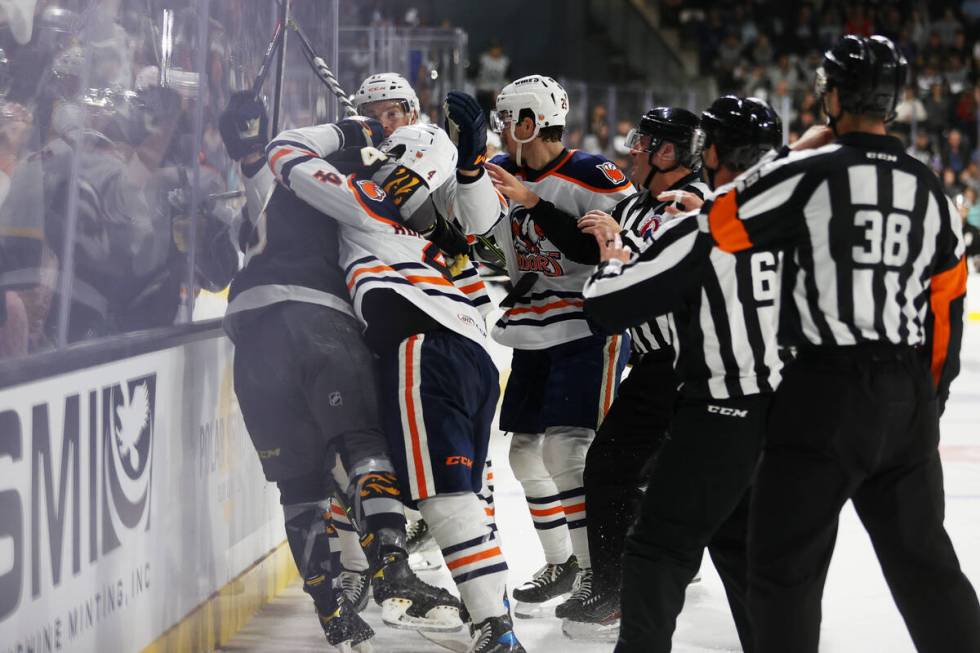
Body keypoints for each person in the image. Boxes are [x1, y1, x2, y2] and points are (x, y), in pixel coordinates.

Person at [701, 35, 980, 653]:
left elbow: (721, 225)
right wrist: (921, 406)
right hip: (904, 394)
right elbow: (947, 310)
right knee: (929, 575)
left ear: (831, 95)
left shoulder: (810, 171)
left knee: (782, 573)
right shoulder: (931, 188)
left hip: (824, 390)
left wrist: (793, 150)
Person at [265, 121, 521, 653]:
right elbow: (482, 301)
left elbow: (284, 152)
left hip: (421, 349)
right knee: (462, 494)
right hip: (474, 357)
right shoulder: (437, 235)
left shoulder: (369, 200)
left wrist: (344, 133)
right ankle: (496, 618)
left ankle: (494, 630)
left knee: (439, 496)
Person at [220, 103, 461, 650]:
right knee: (362, 444)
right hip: (316, 318)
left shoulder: (280, 188)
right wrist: (357, 132)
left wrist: (257, 151)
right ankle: (392, 571)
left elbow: (254, 199)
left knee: (298, 486)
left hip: (251, 336)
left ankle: (332, 611)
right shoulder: (361, 185)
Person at [490, 106, 709, 637]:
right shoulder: (643, 201)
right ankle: (591, 572)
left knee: (600, 462)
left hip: (672, 360)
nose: (629, 148)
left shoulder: (655, 195)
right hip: (619, 350)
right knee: (555, 457)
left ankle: (610, 581)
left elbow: (622, 267)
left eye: (643, 141)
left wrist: (551, 214)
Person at [581, 95, 784, 652]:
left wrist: (615, 257)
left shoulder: (702, 227)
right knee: (744, 552)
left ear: (708, 152)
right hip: (781, 416)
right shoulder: (800, 223)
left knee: (655, 551)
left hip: (713, 408)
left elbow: (606, 307)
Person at [482, 74, 634, 618]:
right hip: (533, 323)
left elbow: (614, 251)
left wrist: (534, 203)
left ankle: (600, 573)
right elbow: (493, 249)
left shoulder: (595, 174)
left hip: (589, 321)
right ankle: (564, 562)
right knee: (524, 451)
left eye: (506, 118)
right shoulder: (499, 174)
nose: (500, 128)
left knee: (568, 451)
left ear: (529, 123)